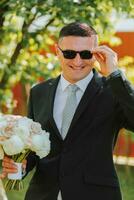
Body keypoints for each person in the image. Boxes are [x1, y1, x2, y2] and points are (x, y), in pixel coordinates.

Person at [1, 22, 134, 200]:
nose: (77, 61)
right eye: (69, 53)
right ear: (57, 51)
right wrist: (20, 165)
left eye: (86, 54)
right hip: (43, 195)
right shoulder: (39, 92)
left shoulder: (113, 91)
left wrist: (115, 75)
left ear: (97, 54)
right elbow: (34, 146)